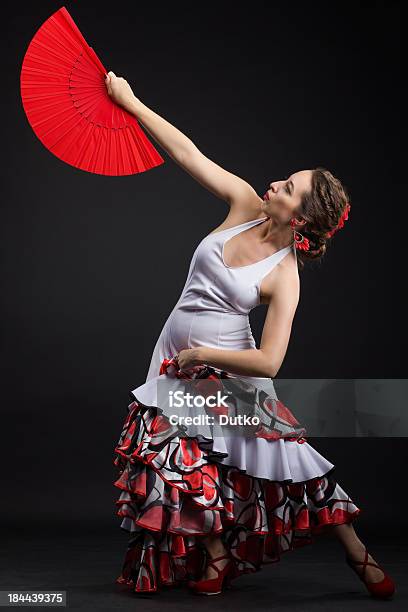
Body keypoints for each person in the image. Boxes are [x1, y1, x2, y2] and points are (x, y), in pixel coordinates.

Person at [106, 72, 396, 599]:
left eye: (289, 188)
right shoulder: (242, 204)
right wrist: (132, 104)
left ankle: (358, 554)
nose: (275, 184)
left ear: (303, 217)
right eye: (284, 178)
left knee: (288, 461)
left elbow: (269, 362)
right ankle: (215, 556)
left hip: (225, 369)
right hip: (174, 357)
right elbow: (187, 152)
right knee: (178, 459)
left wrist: (201, 353)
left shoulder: (286, 275)